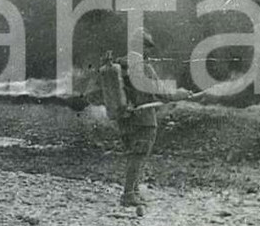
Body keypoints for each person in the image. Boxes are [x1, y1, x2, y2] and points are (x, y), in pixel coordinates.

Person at [81, 29, 196, 215]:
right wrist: (180, 94)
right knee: (139, 155)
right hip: (144, 119)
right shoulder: (143, 67)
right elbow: (163, 93)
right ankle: (129, 193)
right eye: (147, 47)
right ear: (141, 47)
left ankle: (133, 191)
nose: (148, 52)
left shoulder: (116, 64)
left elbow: (94, 94)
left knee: (133, 154)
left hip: (124, 118)